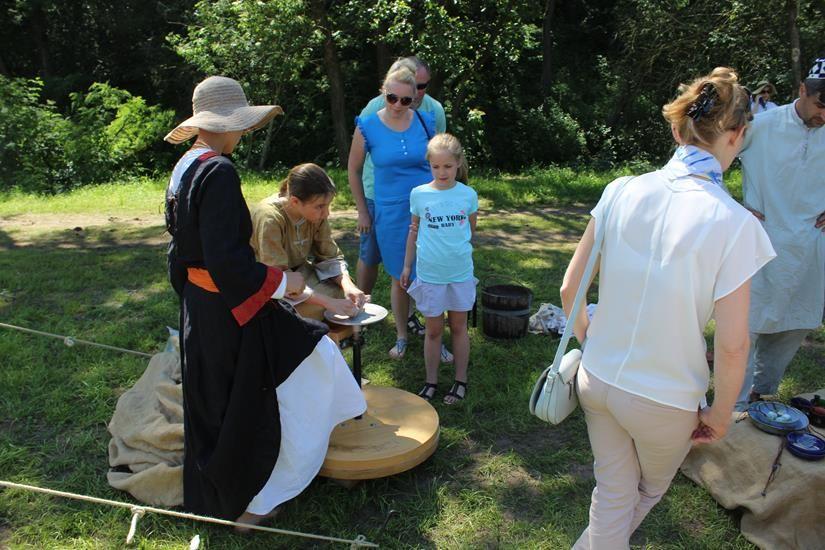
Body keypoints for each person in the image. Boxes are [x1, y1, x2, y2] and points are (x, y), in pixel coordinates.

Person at [561, 67, 775, 549]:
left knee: (614, 495)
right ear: (738, 137)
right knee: (643, 491)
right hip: (666, 401)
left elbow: (569, 289)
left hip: (597, 380)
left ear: (678, 130)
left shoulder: (619, 190)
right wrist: (721, 415)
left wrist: (590, 342)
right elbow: (735, 342)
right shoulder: (735, 224)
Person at [164, 76, 365, 529]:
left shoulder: (186, 164)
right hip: (227, 305)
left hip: (203, 306)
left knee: (217, 399)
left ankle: (219, 495)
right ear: (228, 123)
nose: (242, 132)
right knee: (309, 361)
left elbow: (181, 250)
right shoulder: (218, 171)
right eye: (240, 124)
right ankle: (254, 501)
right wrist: (284, 283)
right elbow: (229, 262)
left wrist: (197, 294)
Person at [735, 58, 825, 409]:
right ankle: (735, 404)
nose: (824, 116)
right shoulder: (763, 124)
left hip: (810, 246)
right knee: (746, 327)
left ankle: (762, 392)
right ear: (803, 90)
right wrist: (729, 206)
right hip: (759, 239)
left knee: (794, 324)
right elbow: (710, 155)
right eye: (820, 105)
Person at [348, 63, 451, 361]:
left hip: (428, 210)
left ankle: (437, 338)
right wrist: (363, 212)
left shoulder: (426, 121)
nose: (398, 105)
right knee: (400, 277)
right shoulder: (367, 125)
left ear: (414, 99)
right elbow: (353, 170)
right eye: (392, 97)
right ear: (384, 92)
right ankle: (402, 336)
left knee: (432, 275)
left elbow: (442, 162)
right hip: (390, 212)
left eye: (406, 100)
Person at [401, 134, 477, 405]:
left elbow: (470, 229)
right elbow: (413, 231)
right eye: (436, 167)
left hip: (460, 274)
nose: (442, 172)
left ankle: (460, 381)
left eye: (447, 166)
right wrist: (408, 265)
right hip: (430, 274)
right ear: (429, 166)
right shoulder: (419, 194)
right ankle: (431, 381)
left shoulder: (468, 195)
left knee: (458, 327)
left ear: (458, 163)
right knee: (433, 331)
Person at [249, 163, 367, 321]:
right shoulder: (269, 218)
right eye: (320, 207)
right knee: (308, 310)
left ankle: (340, 339)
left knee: (342, 294)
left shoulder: (316, 215)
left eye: (328, 205)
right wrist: (328, 302)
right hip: (266, 283)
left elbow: (329, 256)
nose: (326, 213)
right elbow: (278, 278)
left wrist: (348, 286)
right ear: (295, 201)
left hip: (299, 274)